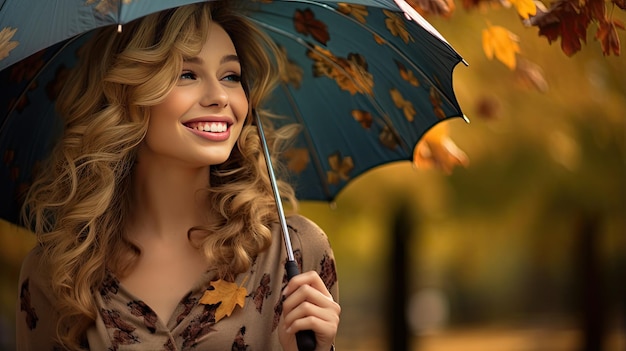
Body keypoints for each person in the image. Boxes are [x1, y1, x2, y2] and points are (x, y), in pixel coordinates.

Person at [16, 2, 340, 350]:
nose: (219, 97)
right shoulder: (59, 273)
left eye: (231, 77)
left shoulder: (295, 253)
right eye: (187, 74)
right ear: (127, 94)